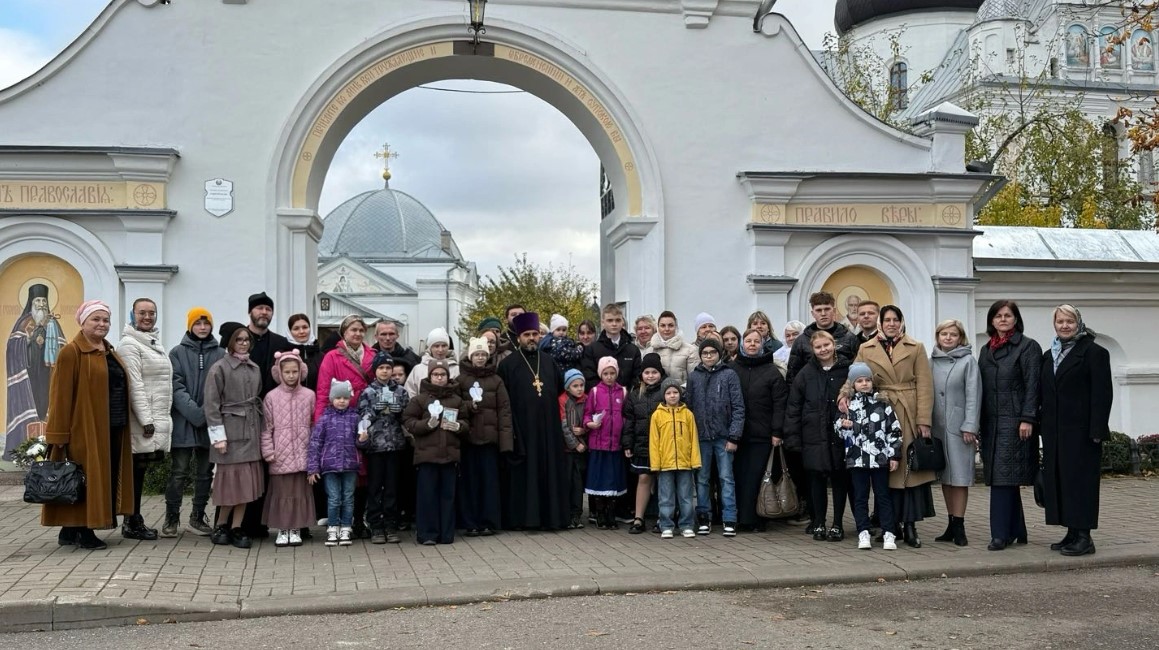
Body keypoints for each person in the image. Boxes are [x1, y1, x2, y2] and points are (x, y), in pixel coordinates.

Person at [42, 300, 134, 550]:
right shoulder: (71, 352)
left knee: (97, 477)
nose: (102, 324)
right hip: (84, 429)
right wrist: (58, 434)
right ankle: (85, 530)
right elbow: (60, 396)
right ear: (82, 322)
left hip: (111, 425)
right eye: (96, 319)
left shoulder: (108, 349)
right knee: (85, 478)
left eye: (106, 320)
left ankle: (69, 531)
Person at [855, 305, 935, 548]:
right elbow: (854, 375)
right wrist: (844, 396)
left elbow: (924, 384)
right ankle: (890, 525)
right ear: (880, 322)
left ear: (901, 322)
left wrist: (924, 420)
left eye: (895, 319)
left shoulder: (916, 347)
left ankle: (910, 525)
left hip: (907, 411)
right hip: (877, 415)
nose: (891, 323)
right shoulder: (865, 348)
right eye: (886, 319)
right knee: (884, 473)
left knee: (908, 472)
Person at [1040, 304, 1111, 557]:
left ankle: (1084, 536)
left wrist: (1097, 429)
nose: (1065, 326)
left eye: (1069, 321)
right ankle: (1071, 531)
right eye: (1060, 322)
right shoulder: (1050, 355)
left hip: (1082, 432)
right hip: (1055, 431)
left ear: (1078, 322)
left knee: (1081, 483)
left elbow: (1102, 394)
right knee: (1062, 481)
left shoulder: (1094, 352)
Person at [497, 312, 571, 531]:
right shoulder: (508, 365)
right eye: (527, 334)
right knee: (524, 475)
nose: (532, 338)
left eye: (535, 334)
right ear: (519, 337)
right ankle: (524, 519)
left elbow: (557, 389)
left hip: (549, 430)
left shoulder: (549, 362)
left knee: (549, 472)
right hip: (523, 429)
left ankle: (552, 519)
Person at [978, 300, 1042, 551]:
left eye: (1008, 315)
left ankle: (1000, 534)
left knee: (1002, 479)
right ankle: (1017, 530)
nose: (1003, 319)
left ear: (1016, 319)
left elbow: (1033, 385)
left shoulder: (1027, 347)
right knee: (1004, 476)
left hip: (1015, 422)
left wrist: (1028, 418)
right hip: (991, 422)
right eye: (998, 316)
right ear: (991, 321)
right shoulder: (986, 350)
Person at [786, 331, 852, 542]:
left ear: (834, 345)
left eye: (827, 345)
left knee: (840, 479)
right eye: (818, 347)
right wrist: (793, 437)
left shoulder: (847, 370)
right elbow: (794, 406)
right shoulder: (806, 373)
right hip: (812, 433)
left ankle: (838, 524)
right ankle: (819, 522)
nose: (823, 350)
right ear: (813, 350)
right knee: (816, 480)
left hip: (840, 433)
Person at [115, 298, 172, 541]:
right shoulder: (129, 344)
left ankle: (134, 519)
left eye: (152, 313)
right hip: (142, 421)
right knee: (135, 472)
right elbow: (134, 384)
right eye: (142, 313)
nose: (147, 317)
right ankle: (131, 521)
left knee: (140, 471)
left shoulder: (151, 342)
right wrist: (147, 420)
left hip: (152, 416)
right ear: (132, 315)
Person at [204, 324, 265, 549]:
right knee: (229, 485)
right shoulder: (219, 368)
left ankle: (238, 526)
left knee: (247, 485)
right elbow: (211, 405)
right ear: (230, 342)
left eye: (246, 339)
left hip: (251, 432)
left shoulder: (254, 368)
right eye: (238, 339)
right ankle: (221, 524)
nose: (243, 343)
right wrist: (217, 435)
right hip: (229, 435)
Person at [165, 307, 224, 537]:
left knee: (204, 472)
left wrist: (207, 413)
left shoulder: (220, 354)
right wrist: (196, 414)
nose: (202, 327)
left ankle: (197, 517)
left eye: (206, 323)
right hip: (184, 421)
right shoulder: (177, 353)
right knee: (178, 472)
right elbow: (176, 386)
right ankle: (171, 518)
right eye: (198, 323)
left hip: (209, 423)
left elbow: (221, 386)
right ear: (190, 326)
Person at [403, 360, 469, 545]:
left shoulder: (456, 400)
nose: (439, 378)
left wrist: (458, 426)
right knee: (427, 497)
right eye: (436, 374)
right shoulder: (420, 399)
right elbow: (408, 420)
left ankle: (446, 534)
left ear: (448, 377)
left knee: (448, 497)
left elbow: (466, 423)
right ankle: (427, 534)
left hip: (449, 456)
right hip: (427, 457)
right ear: (429, 376)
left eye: (443, 375)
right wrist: (425, 425)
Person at [729, 328, 789, 532]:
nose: (752, 344)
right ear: (742, 344)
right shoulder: (732, 369)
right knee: (738, 476)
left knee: (757, 477)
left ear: (762, 344)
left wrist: (777, 432)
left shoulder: (771, 371)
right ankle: (738, 517)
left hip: (762, 435)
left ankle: (755, 518)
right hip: (736, 434)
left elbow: (780, 403)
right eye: (748, 341)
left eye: (757, 341)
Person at [837, 362, 900, 550]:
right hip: (857, 459)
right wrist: (844, 425)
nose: (864, 384)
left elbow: (894, 430)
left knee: (883, 496)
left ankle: (889, 532)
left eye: (867, 380)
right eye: (859, 381)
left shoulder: (883, 404)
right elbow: (838, 429)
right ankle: (863, 532)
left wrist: (894, 455)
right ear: (852, 384)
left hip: (880, 459)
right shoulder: (848, 405)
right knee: (860, 497)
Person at [929, 319, 981, 547]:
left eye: (953, 334)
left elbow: (974, 394)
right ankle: (950, 522)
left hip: (960, 428)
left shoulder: (968, 362)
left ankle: (959, 524)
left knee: (959, 477)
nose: (948, 338)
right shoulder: (931, 362)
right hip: (938, 428)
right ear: (938, 337)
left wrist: (970, 425)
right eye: (944, 334)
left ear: (960, 338)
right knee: (946, 477)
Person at [686, 337, 745, 536]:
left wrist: (734, 436)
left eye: (712, 353)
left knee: (726, 478)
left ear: (719, 354)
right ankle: (704, 517)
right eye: (705, 353)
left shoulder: (729, 375)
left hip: (724, 436)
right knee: (702, 479)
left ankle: (729, 518)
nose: (708, 356)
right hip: (701, 437)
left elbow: (738, 408)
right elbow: (690, 406)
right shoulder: (694, 376)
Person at [457, 337, 512, 537]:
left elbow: (504, 411)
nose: (480, 358)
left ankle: (488, 521)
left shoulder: (496, 380)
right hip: (469, 439)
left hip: (489, 439)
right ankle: (470, 522)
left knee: (489, 483)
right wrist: (467, 407)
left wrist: (505, 441)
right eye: (476, 354)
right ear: (470, 356)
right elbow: (453, 405)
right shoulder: (461, 379)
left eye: (483, 354)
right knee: (470, 483)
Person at [260, 350, 316, 547]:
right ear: (279, 373)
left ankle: (296, 528)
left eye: (295, 371)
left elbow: (313, 425)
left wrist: (314, 454)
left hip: (303, 453)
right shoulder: (271, 397)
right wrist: (268, 451)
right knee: (282, 493)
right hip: (280, 454)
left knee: (299, 493)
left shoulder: (309, 395)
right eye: (287, 372)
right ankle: (283, 529)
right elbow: (266, 428)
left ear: (301, 371)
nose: (292, 376)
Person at [5, 283, 66, 457]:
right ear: (31, 302)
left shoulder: (53, 322)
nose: (41, 304)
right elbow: (12, 348)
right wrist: (29, 339)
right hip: (29, 374)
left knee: (46, 403)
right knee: (32, 402)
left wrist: (50, 333)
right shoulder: (23, 323)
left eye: (43, 300)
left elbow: (63, 346)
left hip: (48, 374)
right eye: (38, 300)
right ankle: (24, 447)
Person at [357, 350, 410, 544]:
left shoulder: (401, 391)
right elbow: (362, 417)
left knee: (392, 488)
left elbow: (408, 416)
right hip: (375, 447)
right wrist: (374, 410)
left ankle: (390, 524)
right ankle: (375, 525)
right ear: (375, 370)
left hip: (395, 446)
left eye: (388, 368)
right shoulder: (368, 392)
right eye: (381, 368)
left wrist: (400, 412)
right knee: (374, 487)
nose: (385, 371)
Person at [308, 379, 361, 546]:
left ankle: (346, 527)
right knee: (334, 498)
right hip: (329, 466)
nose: (341, 401)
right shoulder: (324, 419)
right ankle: (332, 527)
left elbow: (362, 443)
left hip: (350, 465)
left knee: (348, 497)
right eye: (338, 397)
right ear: (331, 399)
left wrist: (364, 439)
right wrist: (312, 468)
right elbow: (315, 443)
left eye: (345, 398)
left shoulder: (355, 418)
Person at [621, 353, 667, 534]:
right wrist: (627, 444)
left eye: (654, 372)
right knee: (644, 478)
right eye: (646, 372)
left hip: (663, 445)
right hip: (642, 444)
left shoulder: (666, 391)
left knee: (664, 481)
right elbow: (629, 422)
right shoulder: (634, 395)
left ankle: (664, 517)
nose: (650, 376)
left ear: (660, 373)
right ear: (641, 375)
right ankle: (639, 518)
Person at [650, 377, 701, 539]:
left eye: (675, 392)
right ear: (663, 396)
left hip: (685, 463)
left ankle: (686, 524)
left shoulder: (688, 414)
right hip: (665, 464)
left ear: (680, 394)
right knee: (666, 497)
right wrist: (655, 465)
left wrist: (695, 461)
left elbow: (694, 439)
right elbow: (654, 441)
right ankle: (666, 525)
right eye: (668, 393)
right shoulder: (657, 416)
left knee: (686, 496)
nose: (672, 396)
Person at [584, 357, 628, 529]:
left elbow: (626, 415)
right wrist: (590, 424)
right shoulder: (595, 392)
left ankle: (611, 515)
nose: (609, 377)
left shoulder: (622, 392)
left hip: (615, 445)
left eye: (612, 373)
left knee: (614, 481)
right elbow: (587, 414)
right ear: (600, 374)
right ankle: (600, 515)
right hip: (598, 444)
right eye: (606, 373)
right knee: (599, 481)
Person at [786, 292, 861, 384]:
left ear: (833, 311)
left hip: (841, 392)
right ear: (813, 313)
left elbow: (858, 370)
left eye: (827, 309)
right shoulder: (801, 341)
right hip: (811, 392)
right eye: (818, 310)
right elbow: (793, 374)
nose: (823, 313)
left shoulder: (849, 338)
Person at [315, 315, 375, 419]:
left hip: (368, 415)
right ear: (344, 332)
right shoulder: (332, 357)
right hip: (341, 416)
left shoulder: (373, 355)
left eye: (361, 330)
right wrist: (320, 423)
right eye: (354, 330)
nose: (358, 333)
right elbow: (323, 392)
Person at [581, 303, 642, 391]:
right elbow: (589, 377)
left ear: (622, 322)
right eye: (610, 320)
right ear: (603, 322)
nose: (614, 324)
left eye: (617, 320)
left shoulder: (633, 350)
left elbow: (637, 378)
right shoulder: (592, 349)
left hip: (627, 401)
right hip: (601, 401)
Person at [244, 292, 293, 398]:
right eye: (260, 308)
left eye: (268, 309)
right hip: (244, 404)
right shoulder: (237, 341)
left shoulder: (282, 343)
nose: (264, 312)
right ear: (249, 312)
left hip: (275, 404)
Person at [559, 368, 589, 529]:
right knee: (567, 482)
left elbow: (589, 418)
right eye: (575, 386)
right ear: (568, 387)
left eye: (581, 385)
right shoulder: (563, 400)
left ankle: (576, 515)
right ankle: (566, 514)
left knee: (578, 483)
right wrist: (574, 444)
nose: (579, 389)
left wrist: (584, 430)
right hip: (568, 449)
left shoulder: (586, 399)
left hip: (582, 448)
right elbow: (564, 425)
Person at [643, 311, 698, 385]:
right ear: (658, 328)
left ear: (676, 327)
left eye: (670, 325)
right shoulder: (649, 351)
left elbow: (694, 379)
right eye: (663, 325)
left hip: (682, 394)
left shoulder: (690, 350)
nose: (667, 329)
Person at [404, 327, 460, 398]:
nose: (440, 350)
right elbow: (410, 393)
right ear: (430, 347)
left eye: (444, 346)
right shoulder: (418, 370)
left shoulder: (456, 369)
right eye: (436, 346)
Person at [287, 313, 321, 391]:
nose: (301, 331)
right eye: (296, 328)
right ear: (289, 331)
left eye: (305, 327)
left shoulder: (321, 355)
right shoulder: (284, 354)